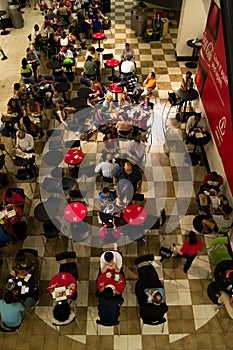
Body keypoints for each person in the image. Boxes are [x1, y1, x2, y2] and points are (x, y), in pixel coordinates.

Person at [135, 258, 168, 323]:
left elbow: (141, 304)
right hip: (159, 318)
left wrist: (147, 294)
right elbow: (166, 308)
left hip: (147, 318)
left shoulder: (146, 308)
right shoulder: (163, 309)